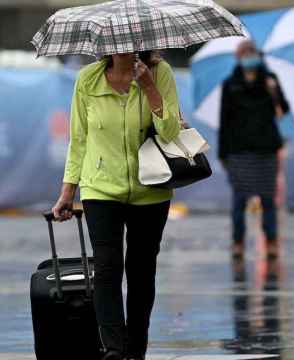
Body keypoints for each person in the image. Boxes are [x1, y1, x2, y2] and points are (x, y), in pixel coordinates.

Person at [51, 51, 181, 360]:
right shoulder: (88, 78)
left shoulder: (160, 73)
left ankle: (135, 350)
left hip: (151, 188)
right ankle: (113, 348)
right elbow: (78, 138)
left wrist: (149, 86)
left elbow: (170, 131)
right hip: (100, 188)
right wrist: (68, 191)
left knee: (140, 270)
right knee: (107, 267)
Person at [219, 40, 290, 258]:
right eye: (244, 53)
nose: (249, 57)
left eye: (252, 53)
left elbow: (284, 109)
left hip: (266, 148)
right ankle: (238, 242)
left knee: (268, 200)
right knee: (239, 200)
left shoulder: (270, 80)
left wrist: (273, 92)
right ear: (238, 57)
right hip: (239, 150)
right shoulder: (230, 84)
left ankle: (271, 242)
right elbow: (225, 120)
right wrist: (223, 153)